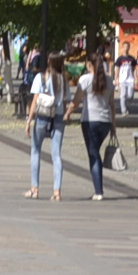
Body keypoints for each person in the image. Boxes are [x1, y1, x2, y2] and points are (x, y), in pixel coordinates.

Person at [25, 51, 68, 200]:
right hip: (58, 116)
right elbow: (65, 101)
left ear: (49, 61)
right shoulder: (63, 79)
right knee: (56, 155)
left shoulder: (41, 77)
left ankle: (34, 189)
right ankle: (57, 191)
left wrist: (29, 120)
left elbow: (35, 100)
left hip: (43, 115)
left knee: (36, 150)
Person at [74, 50, 115, 201]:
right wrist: (114, 126)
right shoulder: (109, 80)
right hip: (105, 122)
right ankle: (98, 189)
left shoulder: (85, 79)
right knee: (95, 152)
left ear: (89, 64)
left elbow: (76, 101)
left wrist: (67, 113)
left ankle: (98, 191)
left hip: (90, 121)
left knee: (94, 154)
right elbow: (112, 105)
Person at [115, 50, 137, 118]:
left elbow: (134, 69)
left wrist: (136, 78)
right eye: (124, 47)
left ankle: (126, 104)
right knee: (123, 95)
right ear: (123, 48)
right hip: (122, 80)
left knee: (130, 95)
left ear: (129, 48)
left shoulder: (132, 58)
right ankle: (123, 111)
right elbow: (117, 69)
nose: (126, 48)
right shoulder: (120, 59)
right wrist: (116, 79)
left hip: (130, 79)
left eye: (127, 47)